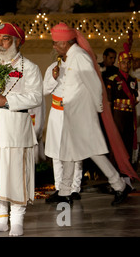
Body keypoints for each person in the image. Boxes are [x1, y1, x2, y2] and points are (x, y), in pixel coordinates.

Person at [50, 22, 137, 206]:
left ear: (65, 43)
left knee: (93, 152)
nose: (54, 46)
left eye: (56, 42)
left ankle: (119, 186)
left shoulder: (80, 57)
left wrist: (98, 109)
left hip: (82, 113)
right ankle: (65, 191)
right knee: (68, 152)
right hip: (72, 111)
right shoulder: (69, 57)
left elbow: (95, 85)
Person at [0, 22, 43, 236]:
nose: (0, 43)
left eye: (5, 39)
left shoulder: (29, 67)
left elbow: (36, 97)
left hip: (15, 131)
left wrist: (7, 100)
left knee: (14, 175)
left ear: (17, 42)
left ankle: (17, 220)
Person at [43, 56, 83, 203]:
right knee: (56, 152)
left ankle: (74, 188)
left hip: (74, 112)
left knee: (75, 152)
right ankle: (60, 188)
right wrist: (54, 78)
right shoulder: (53, 67)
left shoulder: (80, 67)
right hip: (56, 112)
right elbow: (44, 90)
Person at [105, 43, 138, 185]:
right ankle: (115, 179)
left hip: (129, 116)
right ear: (119, 63)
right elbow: (109, 102)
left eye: (128, 62)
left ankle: (127, 177)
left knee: (128, 146)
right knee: (116, 148)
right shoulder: (113, 80)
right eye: (123, 62)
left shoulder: (133, 81)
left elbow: (135, 99)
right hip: (117, 117)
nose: (126, 65)